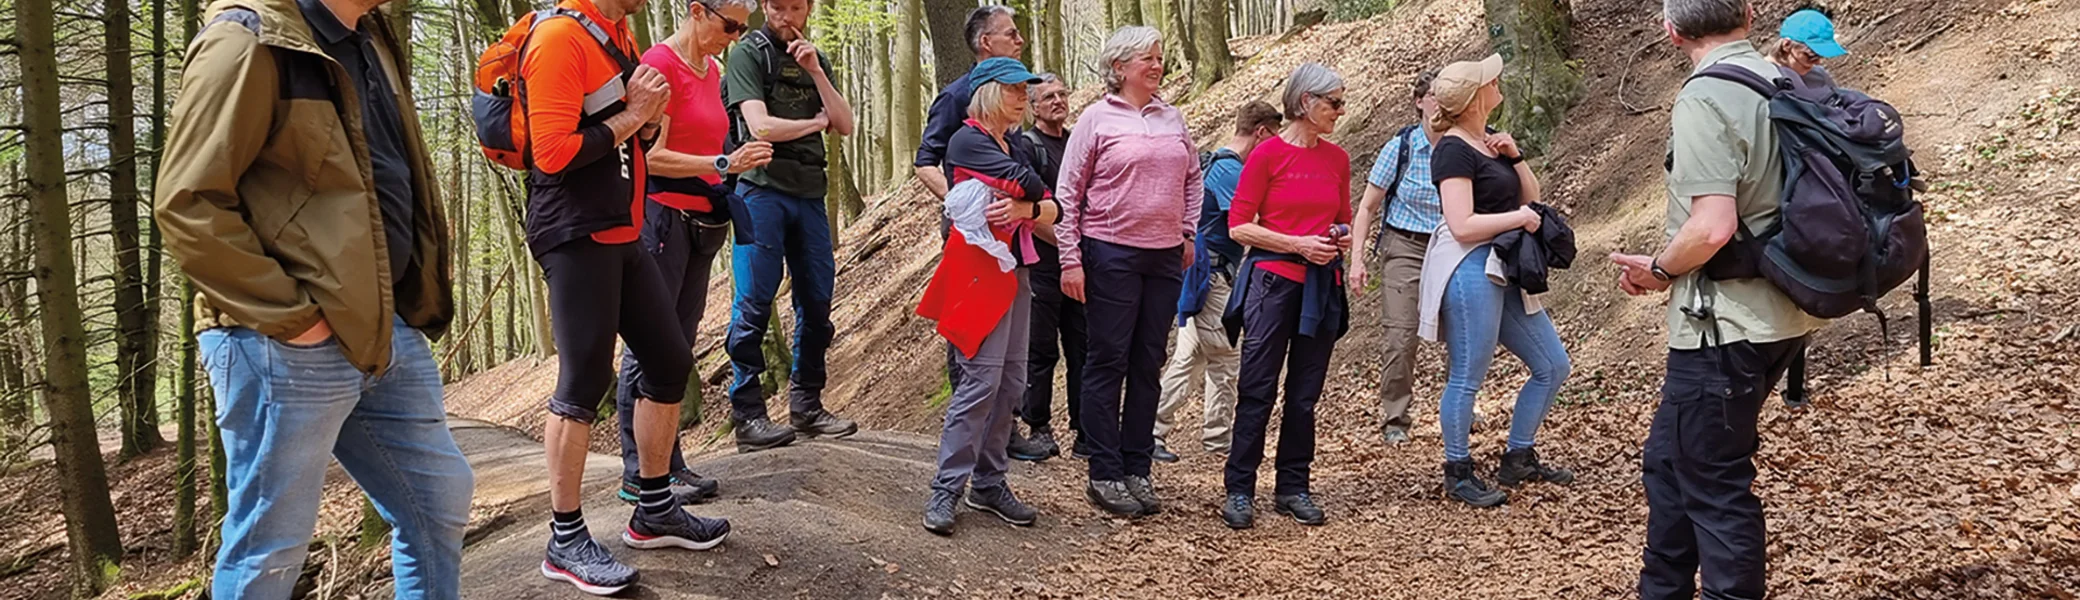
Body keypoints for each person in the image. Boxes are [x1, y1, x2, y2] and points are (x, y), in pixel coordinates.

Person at [158, 0, 473, 595]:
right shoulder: (248, 41)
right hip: (285, 341)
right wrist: (296, 318)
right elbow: (188, 203)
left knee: (437, 500)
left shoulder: (370, 35)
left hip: (384, 327)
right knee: (269, 550)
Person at [519, 0, 735, 591]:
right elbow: (553, 151)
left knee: (667, 362)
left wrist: (643, 123)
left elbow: (633, 137)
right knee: (584, 380)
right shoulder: (561, 36)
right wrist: (634, 113)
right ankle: (564, 540)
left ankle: (654, 507)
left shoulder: (618, 35)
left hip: (623, 225)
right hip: (572, 229)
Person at [1612, 1, 1825, 596]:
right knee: (1670, 463)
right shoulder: (1784, 80)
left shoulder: (1706, 96)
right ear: (1750, 16)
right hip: (1784, 311)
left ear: (1671, 30)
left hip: (1722, 325)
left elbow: (1710, 227)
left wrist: (1657, 269)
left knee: (1712, 482)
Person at [611, 0, 771, 508]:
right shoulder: (660, 65)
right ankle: (639, 470)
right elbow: (649, 152)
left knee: (677, 347)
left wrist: (732, 164)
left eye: (744, 29)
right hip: (659, 219)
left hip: (702, 221)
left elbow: (709, 145)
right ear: (697, 11)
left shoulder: (713, 70)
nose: (736, 36)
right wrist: (723, 160)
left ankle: (667, 464)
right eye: (729, 26)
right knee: (648, 346)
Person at [1416, 55, 1574, 510]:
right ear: (1473, 99)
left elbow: (1533, 198)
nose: (1496, 82)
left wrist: (1515, 157)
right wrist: (1520, 219)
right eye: (1489, 81)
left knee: (1552, 365)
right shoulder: (1452, 149)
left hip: (1502, 266)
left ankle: (1518, 456)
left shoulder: (1485, 143)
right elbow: (1461, 223)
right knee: (1468, 375)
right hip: (1469, 267)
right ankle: (1457, 469)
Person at [1056, 25, 1202, 518]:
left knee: (1148, 362)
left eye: (1160, 57)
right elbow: (1068, 196)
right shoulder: (1095, 120)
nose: (1157, 65)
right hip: (1110, 253)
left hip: (1164, 257)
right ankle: (1104, 470)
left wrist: (1187, 232)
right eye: (1148, 58)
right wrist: (1070, 260)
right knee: (1108, 360)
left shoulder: (1172, 117)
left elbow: (1193, 177)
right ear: (1119, 68)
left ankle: (1138, 466)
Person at [915, 58, 1060, 536]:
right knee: (980, 379)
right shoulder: (967, 139)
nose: (1025, 97)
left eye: (1026, 90)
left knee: (1012, 381)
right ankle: (947, 487)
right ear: (990, 93)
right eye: (1016, 89)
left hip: (1016, 269)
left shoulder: (1015, 142)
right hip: (978, 271)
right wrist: (1031, 200)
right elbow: (1035, 186)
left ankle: (991, 481)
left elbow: (1051, 206)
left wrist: (1029, 206)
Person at [1216, 64, 1352, 530]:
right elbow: (1239, 225)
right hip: (1272, 283)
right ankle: (1239, 489)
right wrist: (1297, 243)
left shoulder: (1337, 159)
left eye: (1341, 101)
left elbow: (1344, 219)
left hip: (1321, 286)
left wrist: (1339, 237)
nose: (1340, 109)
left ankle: (1293, 486)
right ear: (1305, 102)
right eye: (1333, 101)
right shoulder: (1267, 155)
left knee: (1304, 395)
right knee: (1257, 388)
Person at [722, 0, 861, 452]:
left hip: (809, 192)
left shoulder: (815, 58)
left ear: (809, 9)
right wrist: (814, 121)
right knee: (754, 302)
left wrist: (816, 73)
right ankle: (748, 413)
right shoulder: (747, 52)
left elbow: (844, 124)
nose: (786, 16)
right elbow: (759, 126)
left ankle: (807, 405)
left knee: (817, 301)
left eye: (795, 7)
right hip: (759, 189)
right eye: (777, 7)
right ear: (765, 6)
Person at [1152, 100, 1282, 460]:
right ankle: (1218, 439)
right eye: (1274, 136)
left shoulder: (1220, 165)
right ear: (1261, 132)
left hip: (1208, 274)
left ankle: (1156, 430)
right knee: (1226, 357)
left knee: (1190, 355)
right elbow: (1248, 224)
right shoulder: (1230, 171)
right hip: (1213, 276)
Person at [916, 5, 1025, 415]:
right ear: (986, 42)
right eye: (1011, 34)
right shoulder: (957, 95)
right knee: (971, 323)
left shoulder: (1015, 93)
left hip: (1011, 229)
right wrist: (962, 204)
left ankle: (1003, 423)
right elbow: (925, 160)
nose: (1020, 41)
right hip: (971, 231)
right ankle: (966, 411)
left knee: (1008, 330)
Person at [1348, 70, 1445, 446]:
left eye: (1446, 96)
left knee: (1465, 333)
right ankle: (1395, 417)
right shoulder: (1400, 148)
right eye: (1433, 95)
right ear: (1419, 101)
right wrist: (1357, 259)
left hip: (1454, 246)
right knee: (1401, 336)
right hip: (1405, 246)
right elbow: (1368, 207)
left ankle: (1460, 406)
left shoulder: (1464, 146)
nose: (1439, 103)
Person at [1010, 73, 1088, 462]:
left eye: (1062, 94)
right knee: (1041, 349)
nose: (1058, 101)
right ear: (1033, 106)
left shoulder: (1078, 142)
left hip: (1081, 265)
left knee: (1083, 346)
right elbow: (1030, 213)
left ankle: (1085, 428)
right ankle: (1038, 426)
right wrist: (1068, 244)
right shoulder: (1027, 147)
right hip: (1043, 263)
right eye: (1048, 97)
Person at [1766, 8, 1845, 91]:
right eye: (1811, 56)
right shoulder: (1761, 78)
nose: (1817, 63)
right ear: (1787, 45)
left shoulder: (1818, 76)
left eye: (1820, 56)